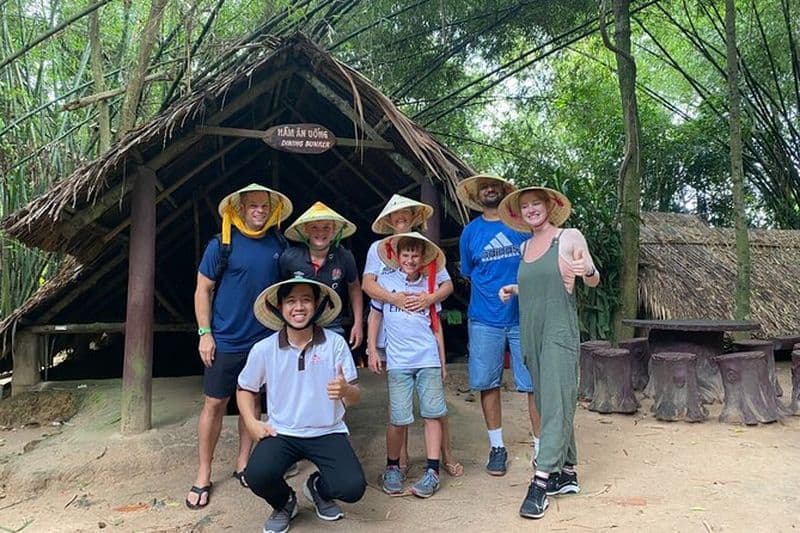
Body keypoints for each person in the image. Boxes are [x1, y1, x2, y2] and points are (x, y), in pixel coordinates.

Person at [186, 183, 292, 510]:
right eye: (253, 206)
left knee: (253, 400)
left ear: (271, 210)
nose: (259, 211)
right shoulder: (223, 245)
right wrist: (205, 332)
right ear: (241, 209)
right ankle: (203, 473)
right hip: (226, 339)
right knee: (214, 404)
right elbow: (203, 289)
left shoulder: (278, 244)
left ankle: (244, 463)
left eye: (264, 206)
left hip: (264, 339)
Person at [497, 186, 600, 519]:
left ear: (549, 206)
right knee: (546, 400)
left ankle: (540, 483)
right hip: (531, 332)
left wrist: (585, 270)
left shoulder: (568, 237)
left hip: (558, 331)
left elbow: (593, 278)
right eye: (524, 206)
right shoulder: (525, 246)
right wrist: (513, 288)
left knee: (556, 401)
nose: (530, 209)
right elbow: (535, 282)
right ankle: (567, 473)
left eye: (535, 204)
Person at [238, 275, 366, 532]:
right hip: (282, 431)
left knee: (352, 488)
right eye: (291, 301)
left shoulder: (335, 343)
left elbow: (356, 396)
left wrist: (346, 390)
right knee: (256, 475)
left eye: (306, 300)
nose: (299, 307)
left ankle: (317, 487)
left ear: (318, 305)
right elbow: (245, 389)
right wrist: (252, 423)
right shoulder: (265, 348)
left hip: (327, 430)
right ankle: (284, 501)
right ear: (280, 307)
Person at [362, 194, 462, 478]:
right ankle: (399, 462)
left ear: (415, 217)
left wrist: (429, 298)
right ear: (389, 220)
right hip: (393, 335)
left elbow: (446, 284)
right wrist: (395, 299)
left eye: (407, 213)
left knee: (436, 408)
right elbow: (369, 286)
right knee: (399, 408)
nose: (401, 218)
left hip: (423, 335)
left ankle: (445, 457)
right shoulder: (378, 250)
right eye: (397, 214)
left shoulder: (426, 249)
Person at [456, 174, 541, 477]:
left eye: (494, 186)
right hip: (484, 319)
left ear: (505, 192)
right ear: (477, 196)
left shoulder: (521, 226)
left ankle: (541, 449)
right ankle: (497, 447)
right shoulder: (470, 233)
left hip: (523, 316)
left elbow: (538, 263)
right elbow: (468, 272)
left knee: (533, 384)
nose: (489, 190)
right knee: (487, 382)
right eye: (483, 188)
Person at [369, 232, 448, 498]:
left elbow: (436, 328)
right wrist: (371, 349)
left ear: (423, 257)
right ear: (396, 256)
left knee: (432, 414)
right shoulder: (386, 282)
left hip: (427, 358)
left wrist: (443, 361)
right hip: (398, 360)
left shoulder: (430, 286)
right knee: (398, 417)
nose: (411, 260)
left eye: (416, 255)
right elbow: (375, 317)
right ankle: (393, 466)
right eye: (406, 255)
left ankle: (432, 470)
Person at [281, 201, 363, 348]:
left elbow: (354, 287)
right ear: (306, 230)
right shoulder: (290, 257)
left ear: (334, 231)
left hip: (332, 323)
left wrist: (358, 324)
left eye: (326, 227)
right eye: (314, 227)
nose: (321, 232)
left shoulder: (344, 256)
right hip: (298, 323)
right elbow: (279, 291)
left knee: (335, 369)